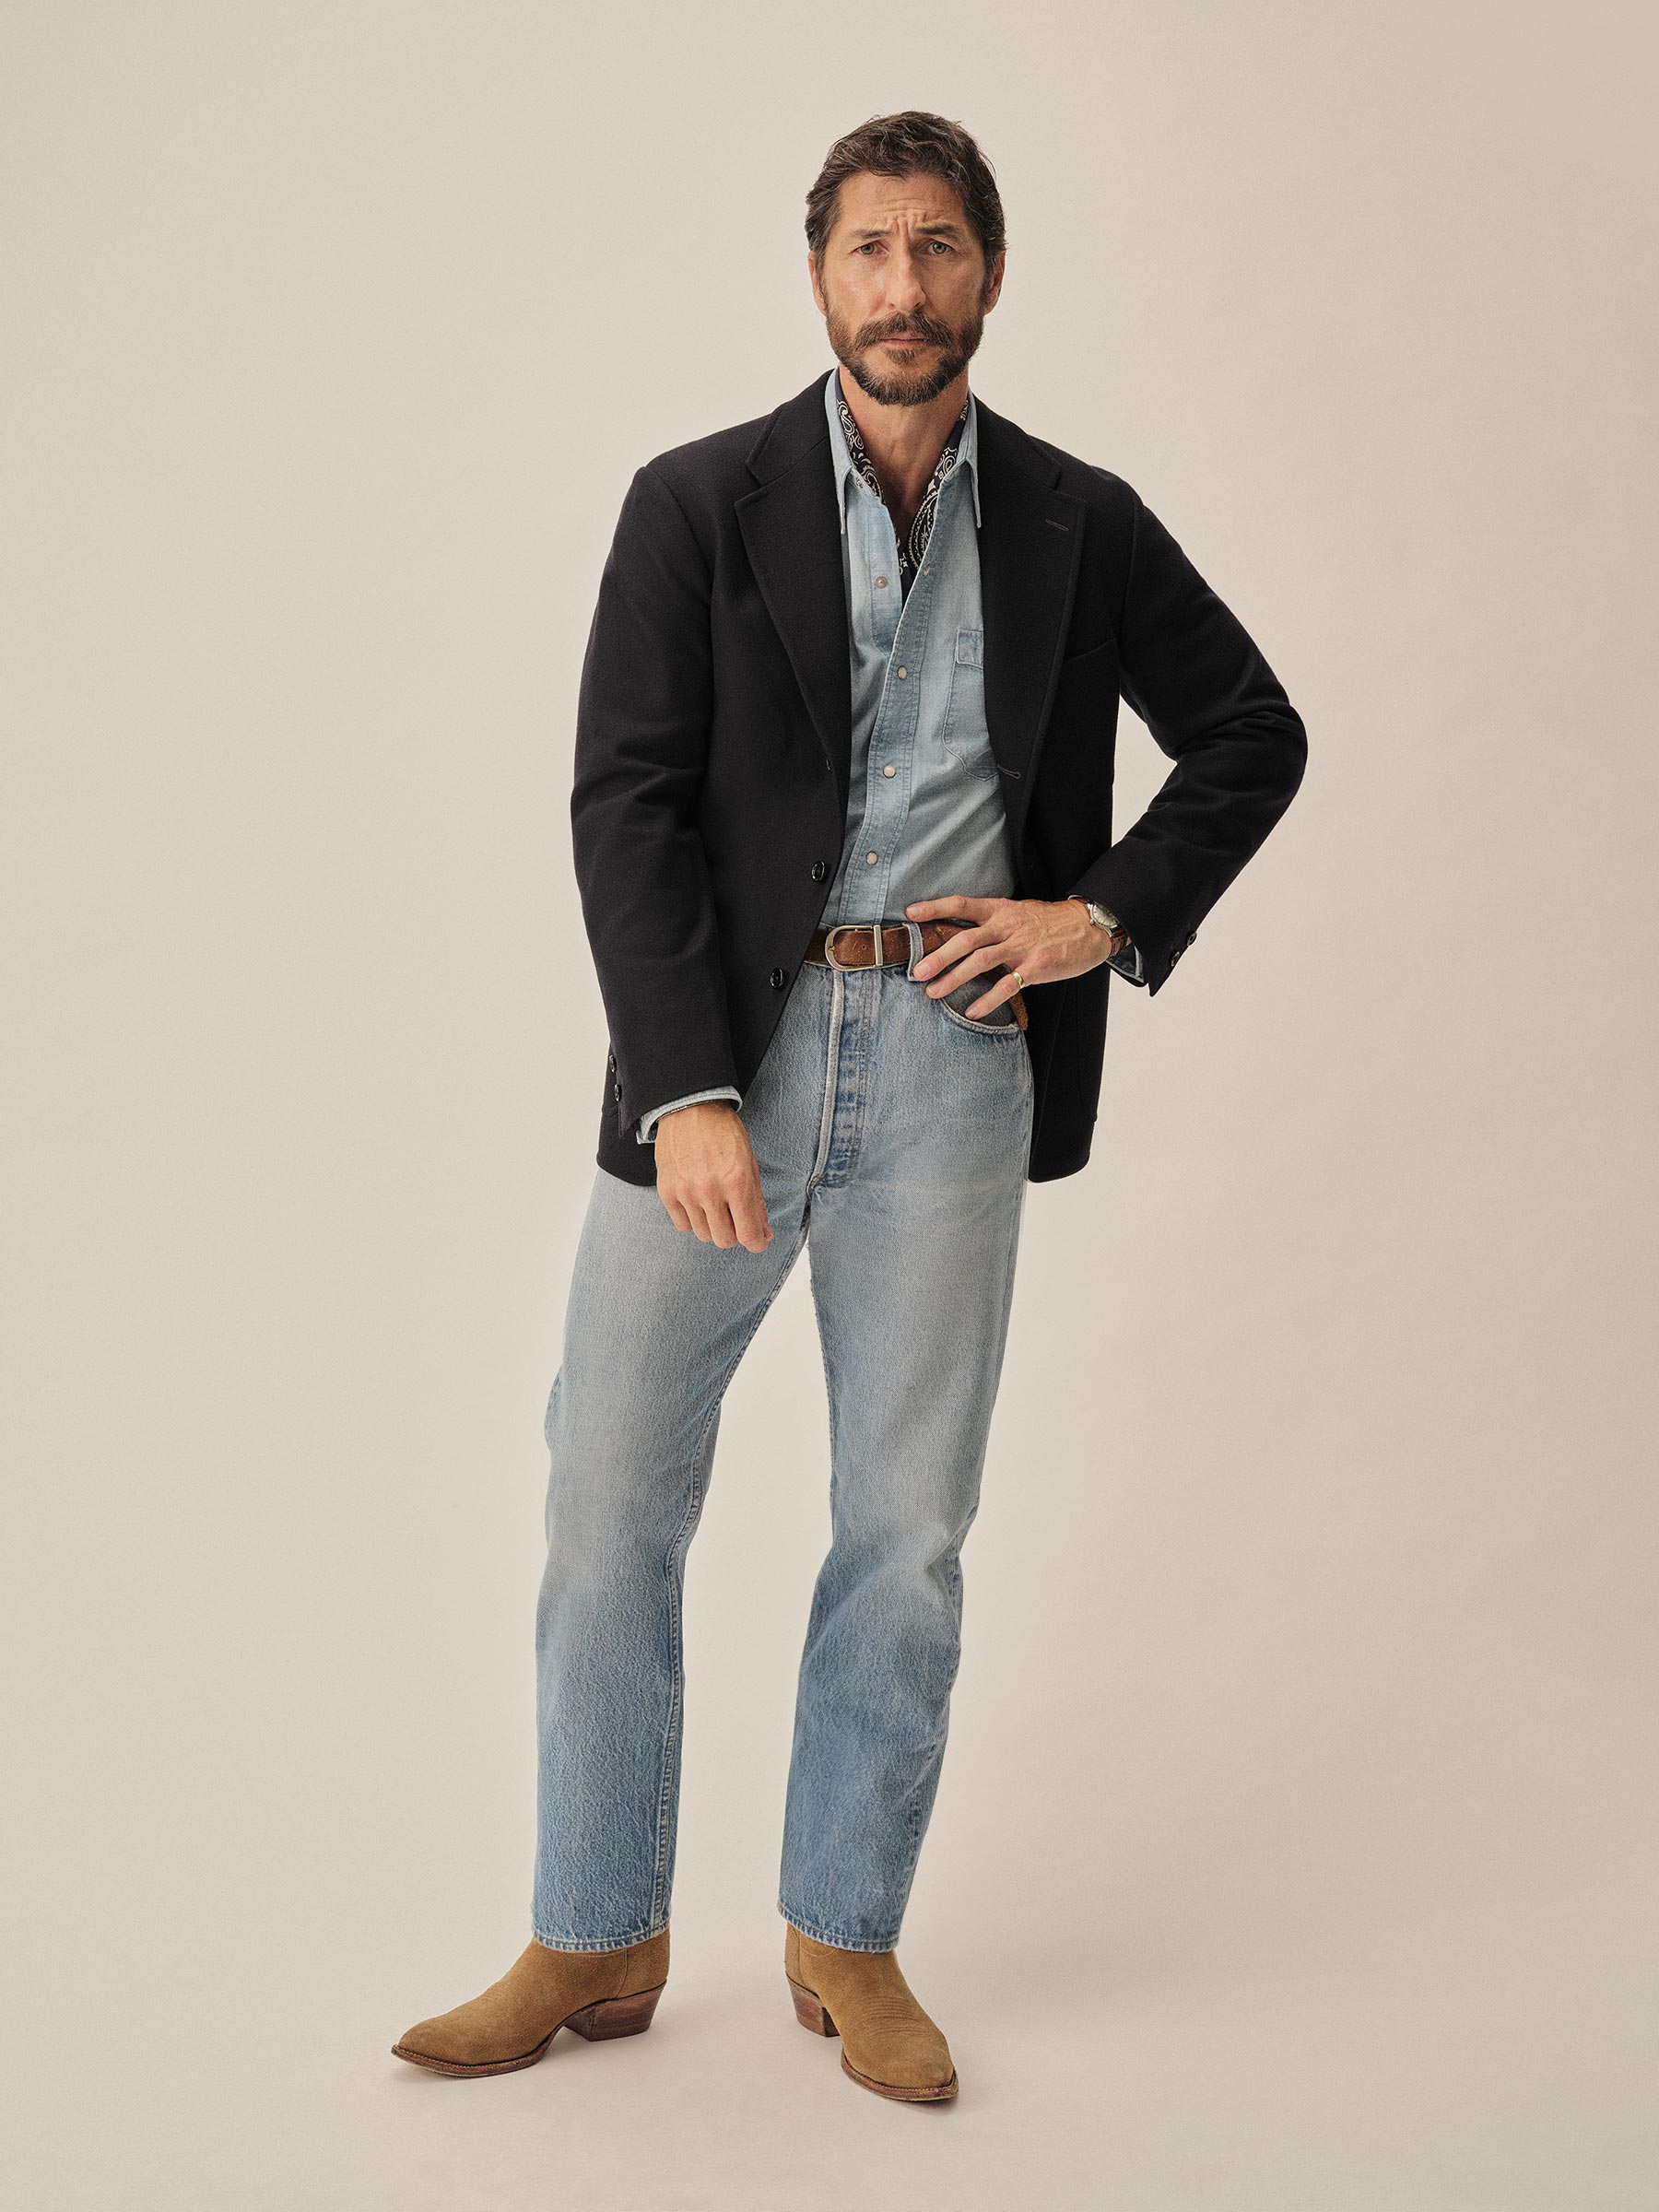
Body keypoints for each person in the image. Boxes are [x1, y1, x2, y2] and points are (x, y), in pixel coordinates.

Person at [394, 109, 1306, 2102]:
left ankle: (846, 1934)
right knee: (606, 1501)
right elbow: (626, 807)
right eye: (873, 248)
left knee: (906, 1528)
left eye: (941, 247)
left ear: (993, 273)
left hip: (957, 1068)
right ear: (818, 273)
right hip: (729, 1060)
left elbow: (1253, 733)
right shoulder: (693, 504)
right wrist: (687, 1090)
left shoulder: (1077, 519)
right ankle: (593, 1928)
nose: (907, 285)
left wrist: (1094, 921)